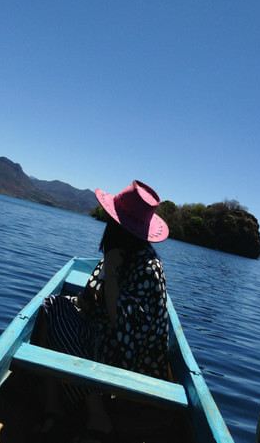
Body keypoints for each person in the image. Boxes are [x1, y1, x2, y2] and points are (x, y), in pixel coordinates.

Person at [36, 180, 170, 442]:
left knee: (69, 322)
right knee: (53, 307)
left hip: (132, 361)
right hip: (108, 339)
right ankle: (53, 406)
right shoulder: (117, 254)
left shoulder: (148, 269)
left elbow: (122, 329)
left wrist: (111, 276)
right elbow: (87, 300)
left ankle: (99, 420)